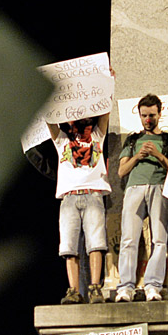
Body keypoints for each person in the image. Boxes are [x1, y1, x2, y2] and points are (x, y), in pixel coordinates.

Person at [48, 101, 113, 305]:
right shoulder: (62, 140)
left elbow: (105, 112)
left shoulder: (96, 136)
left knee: (96, 243)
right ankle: (74, 290)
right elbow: (49, 120)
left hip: (93, 194)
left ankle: (94, 288)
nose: (78, 122)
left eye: (83, 119)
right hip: (69, 197)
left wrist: (106, 84)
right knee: (69, 246)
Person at [115, 94, 168, 302]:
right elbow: (121, 171)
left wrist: (159, 156)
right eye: (144, 116)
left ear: (160, 114)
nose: (148, 120)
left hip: (160, 187)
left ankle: (153, 285)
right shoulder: (132, 139)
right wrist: (138, 156)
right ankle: (125, 287)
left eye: (152, 115)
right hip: (134, 188)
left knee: (159, 239)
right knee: (129, 239)